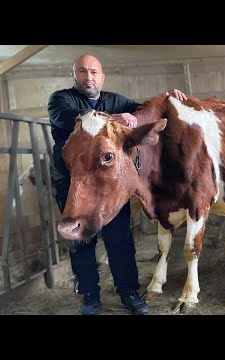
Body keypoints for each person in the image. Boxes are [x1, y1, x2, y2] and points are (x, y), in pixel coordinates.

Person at [48, 54, 187, 315]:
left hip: (110, 183)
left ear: (102, 76)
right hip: (73, 183)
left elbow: (143, 111)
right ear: (73, 74)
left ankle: (129, 293)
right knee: (80, 239)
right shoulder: (60, 100)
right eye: (82, 71)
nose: (88, 77)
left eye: (94, 72)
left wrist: (167, 96)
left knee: (119, 238)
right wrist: (115, 118)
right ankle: (90, 296)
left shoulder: (117, 99)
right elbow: (71, 118)